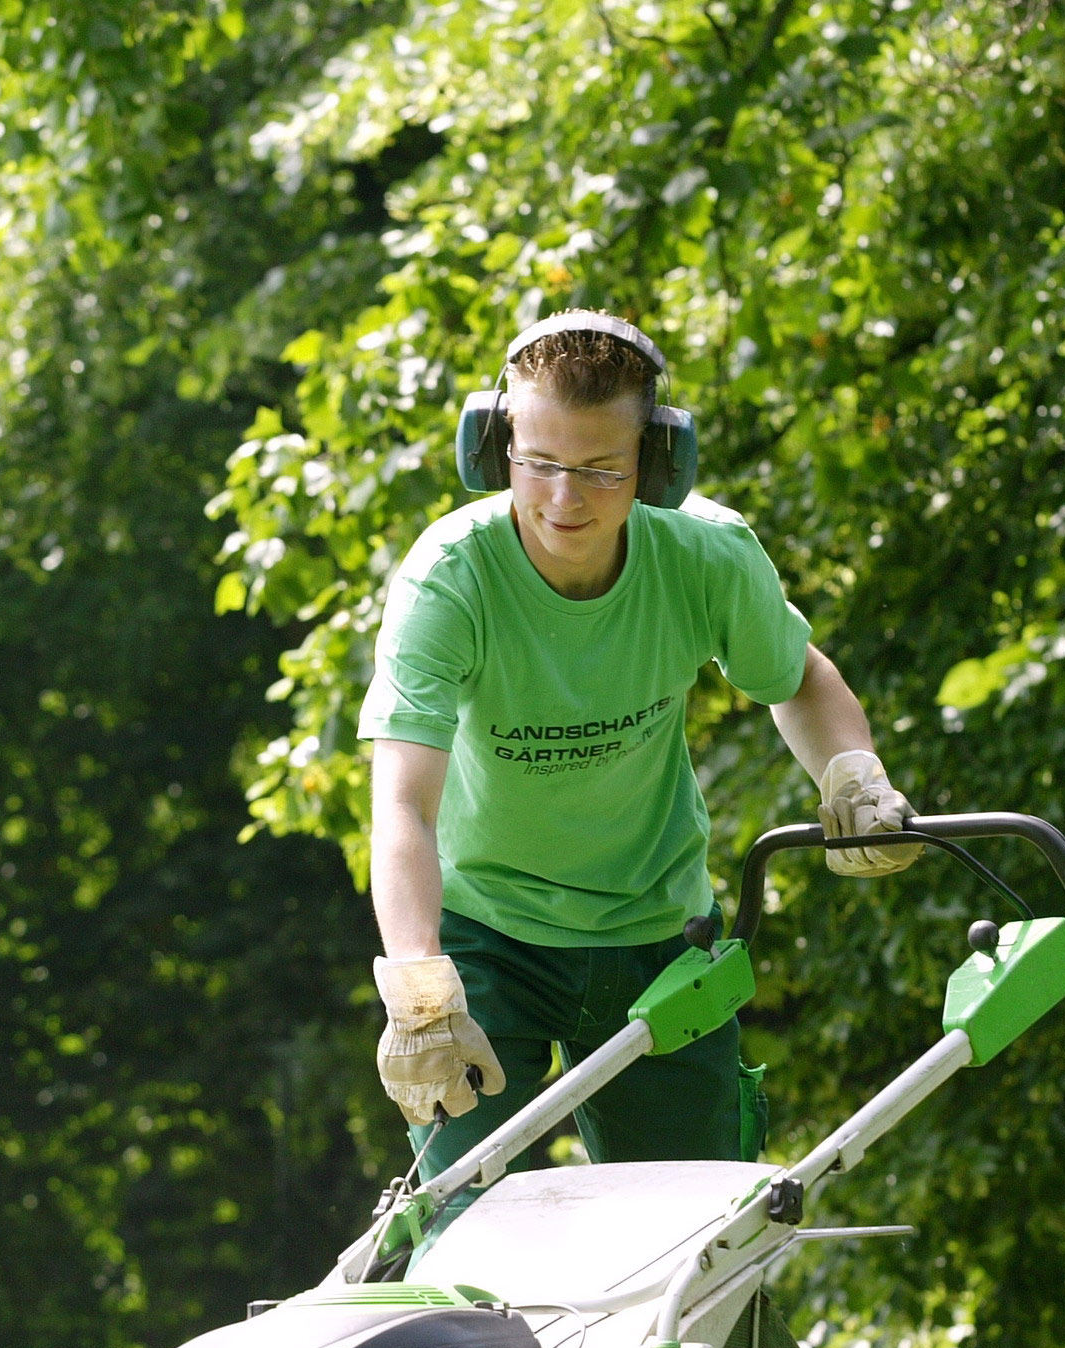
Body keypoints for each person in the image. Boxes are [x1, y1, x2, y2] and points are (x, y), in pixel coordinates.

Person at [361, 310, 916, 1207]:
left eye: (599, 470)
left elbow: (794, 677)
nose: (561, 501)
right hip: (484, 940)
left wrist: (853, 773)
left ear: (657, 468)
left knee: (690, 1227)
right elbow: (403, 806)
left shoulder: (704, 557)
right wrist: (420, 984)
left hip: (657, 934)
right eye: (536, 462)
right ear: (494, 445)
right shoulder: (451, 579)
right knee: (460, 1211)